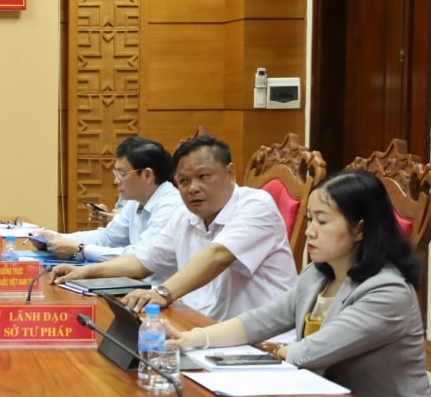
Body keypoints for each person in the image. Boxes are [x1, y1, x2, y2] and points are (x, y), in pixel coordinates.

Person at [168, 170, 431, 397]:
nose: (310, 230)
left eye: (322, 221)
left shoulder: (387, 292)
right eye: (309, 219)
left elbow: (309, 352)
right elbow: (260, 321)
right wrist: (192, 338)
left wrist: (280, 351)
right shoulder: (317, 275)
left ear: (359, 229)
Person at [52, 135, 297, 321]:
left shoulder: (256, 205)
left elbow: (219, 255)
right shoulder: (185, 215)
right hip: (198, 325)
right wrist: (85, 273)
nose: (193, 188)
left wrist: (164, 292)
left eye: (204, 177)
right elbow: (142, 263)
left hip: (260, 341)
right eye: (185, 181)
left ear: (230, 173)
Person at [35, 137, 183, 269]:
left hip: (158, 291)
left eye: (122, 174)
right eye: (116, 174)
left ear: (147, 174)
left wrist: (80, 249)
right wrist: (54, 238)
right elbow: (108, 238)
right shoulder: (136, 201)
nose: (116, 181)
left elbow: (140, 257)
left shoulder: (170, 206)